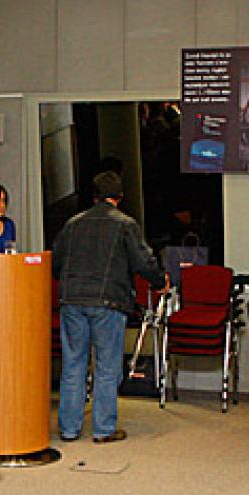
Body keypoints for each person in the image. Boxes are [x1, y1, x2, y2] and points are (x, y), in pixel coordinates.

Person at [53, 171, 165, 443]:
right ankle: (103, 429)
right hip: (108, 302)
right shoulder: (125, 224)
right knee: (107, 366)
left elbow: (56, 263)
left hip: (72, 301)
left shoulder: (72, 224)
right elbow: (144, 262)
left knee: (73, 364)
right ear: (120, 197)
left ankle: (69, 429)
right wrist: (160, 281)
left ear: (94, 196)